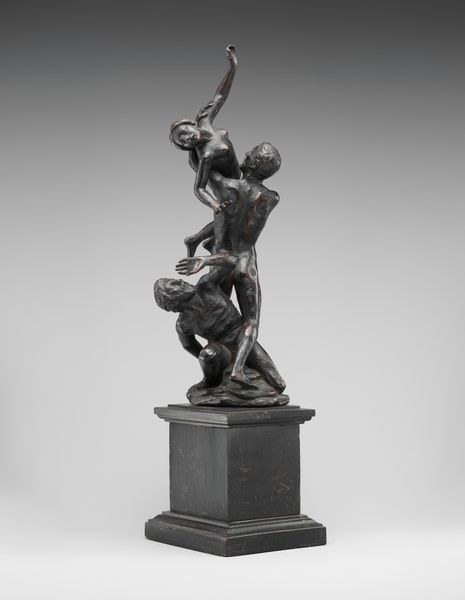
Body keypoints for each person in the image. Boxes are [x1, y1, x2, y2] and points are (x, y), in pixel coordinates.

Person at [176, 142, 282, 388]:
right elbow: (238, 225)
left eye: (251, 153)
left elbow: (198, 166)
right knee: (250, 322)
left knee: (217, 319)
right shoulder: (271, 198)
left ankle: (219, 364)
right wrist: (197, 238)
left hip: (221, 264)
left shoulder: (224, 185)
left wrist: (196, 145)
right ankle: (236, 369)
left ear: (254, 162)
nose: (245, 154)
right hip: (246, 263)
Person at [154, 273, 286, 395]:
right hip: (223, 350)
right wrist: (208, 361)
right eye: (173, 284)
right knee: (208, 354)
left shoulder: (206, 285)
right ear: (172, 300)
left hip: (243, 338)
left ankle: (236, 380)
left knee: (278, 385)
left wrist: (205, 261)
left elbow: (231, 263)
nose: (179, 280)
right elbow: (188, 345)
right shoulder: (183, 324)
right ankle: (212, 382)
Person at [169, 44, 241, 244]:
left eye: (184, 132)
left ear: (190, 123)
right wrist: (214, 204)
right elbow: (199, 188)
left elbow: (220, 96)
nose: (186, 138)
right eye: (182, 141)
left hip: (239, 174)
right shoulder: (205, 155)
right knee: (234, 216)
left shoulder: (205, 120)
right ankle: (204, 243)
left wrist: (232, 68)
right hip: (226, 183)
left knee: (234, 219)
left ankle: (196, 241)